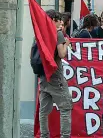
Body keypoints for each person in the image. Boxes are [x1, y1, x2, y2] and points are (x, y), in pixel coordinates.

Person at [39, 10, 72, 138]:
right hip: (55, 76)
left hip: (43, 76)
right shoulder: (57, 34)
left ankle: (44, 135)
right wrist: (66, 44)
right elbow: (62, 54)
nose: (60, 24)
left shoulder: (39, 33)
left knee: (44, 110)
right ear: (53, 20)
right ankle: (65, 135)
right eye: (59, 21)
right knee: (65, 107)